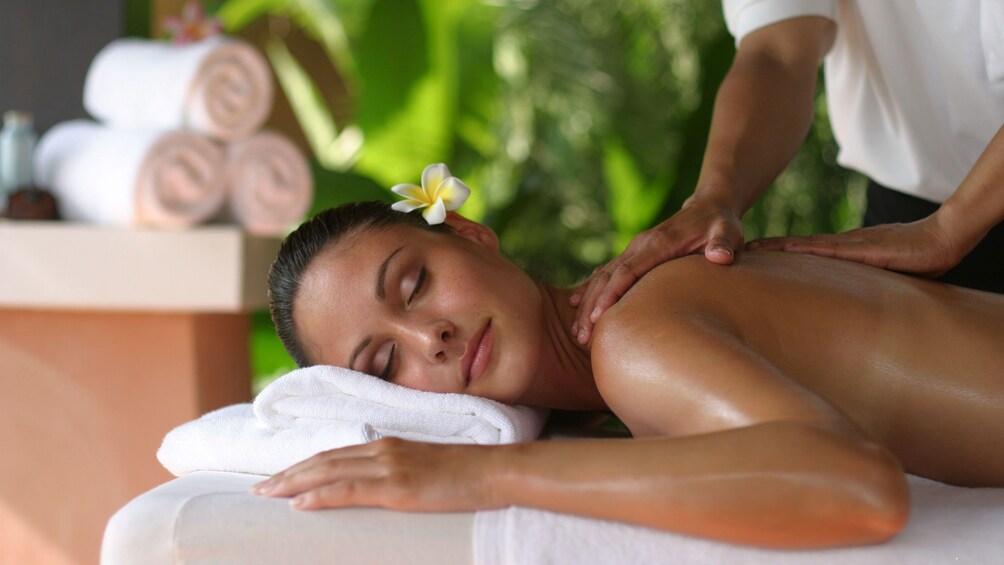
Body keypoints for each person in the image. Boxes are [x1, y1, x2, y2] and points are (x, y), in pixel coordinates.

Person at [253, 200, 1004, 549]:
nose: (432, 336)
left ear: (472, 235)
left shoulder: (631, 334)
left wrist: (484, 475)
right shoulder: (620, 354)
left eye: (415, 284)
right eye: (387, 363)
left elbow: (857, 486)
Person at [570, 1, 1004, 345]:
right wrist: (715, 196)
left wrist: (950, 230)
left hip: (940, 226)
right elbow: (778, 50)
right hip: (914, 210)